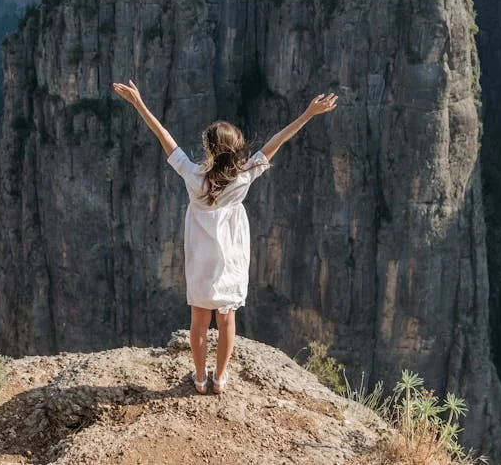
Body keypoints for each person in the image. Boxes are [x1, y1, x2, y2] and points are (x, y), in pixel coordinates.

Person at [112, 79, 338, 394]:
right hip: (230, 257)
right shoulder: (243, 179)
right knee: (227, 319)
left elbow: (164, 137)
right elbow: (276, 141)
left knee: (199, 321)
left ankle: (201, 379)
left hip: (202, 259)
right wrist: (308, 114)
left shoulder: (193, 178)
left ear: (208, 148)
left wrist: (139, 103)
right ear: (235, 149)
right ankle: (220, 379)